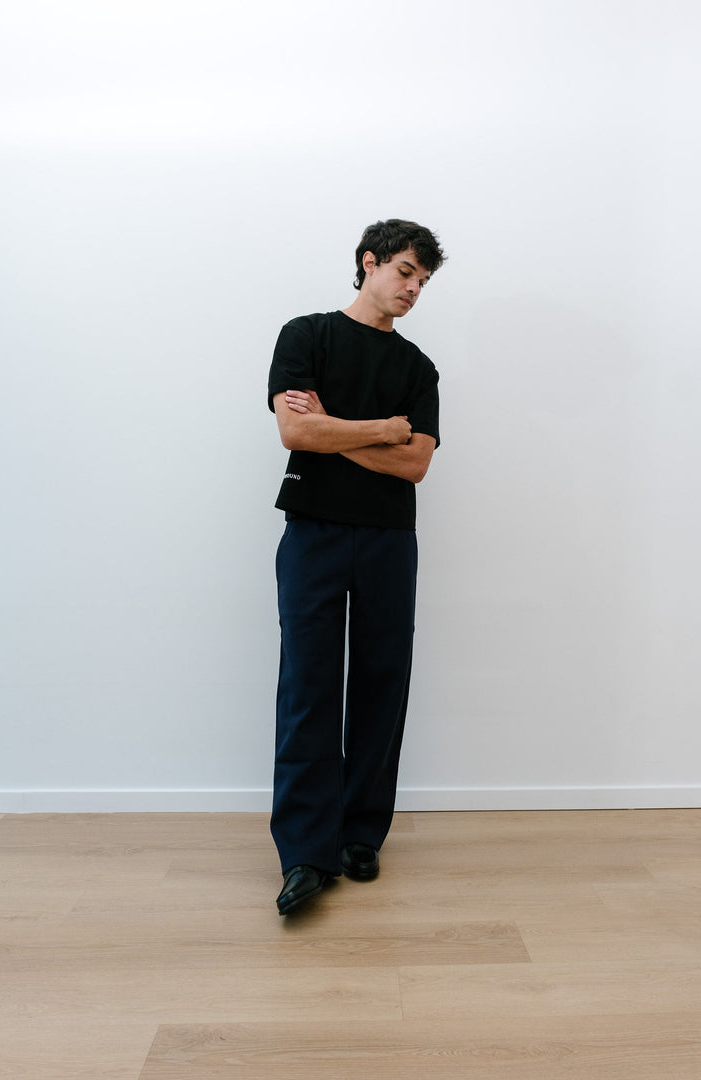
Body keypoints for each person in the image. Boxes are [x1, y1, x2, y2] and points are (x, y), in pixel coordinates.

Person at [267, 218, 445, 915]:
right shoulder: (306, 336)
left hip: (388, 540)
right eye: (404, 271)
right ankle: (305, 853)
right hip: (312, 531)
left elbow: (416, 463)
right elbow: (294, 429)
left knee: (381, 681)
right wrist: (381, 428)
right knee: (308, 685)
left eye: (422, 281)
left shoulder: (417, 368)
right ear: (369, 262)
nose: (413, 288)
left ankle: (360, 834)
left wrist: (333, 428)